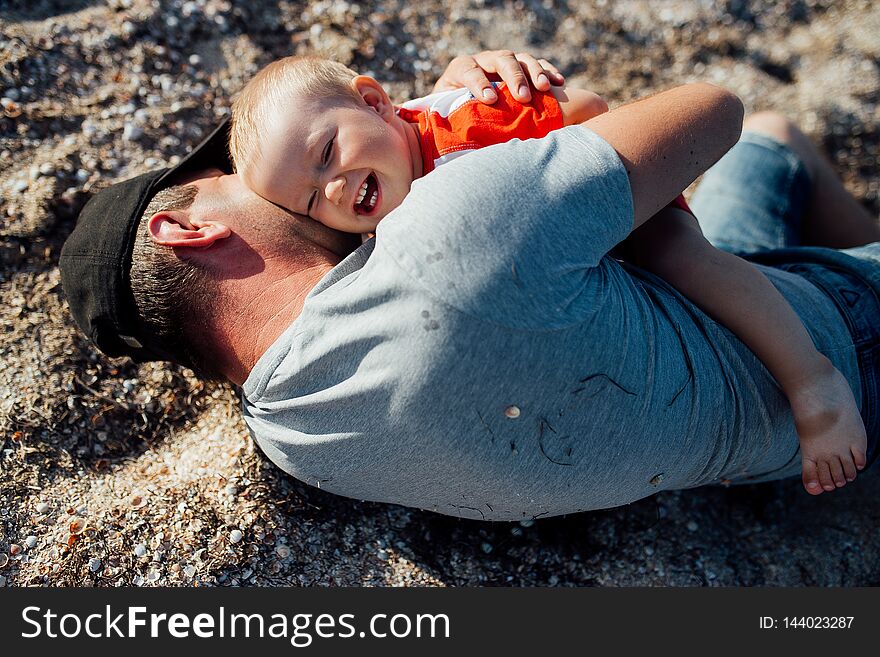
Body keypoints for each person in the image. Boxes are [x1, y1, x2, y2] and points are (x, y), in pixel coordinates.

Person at [59, 56, 880, 521]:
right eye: (225, 177)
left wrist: (456, 100)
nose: (307, 191)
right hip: (835, 339)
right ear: (187, 227)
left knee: (776, 144)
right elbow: (713, 107)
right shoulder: (458, 229)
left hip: (729, 444)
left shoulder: (289, 438)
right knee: (763, 133)